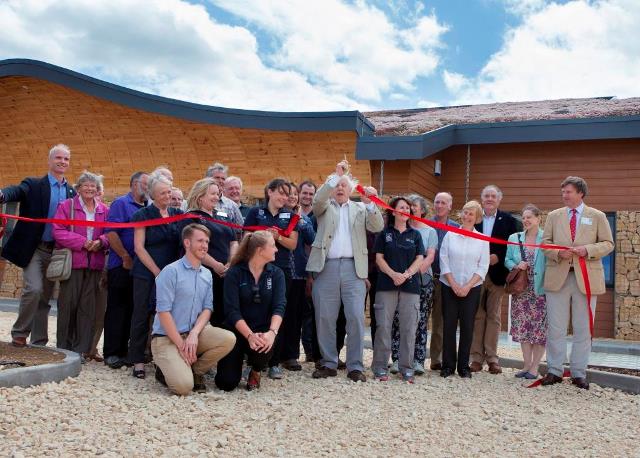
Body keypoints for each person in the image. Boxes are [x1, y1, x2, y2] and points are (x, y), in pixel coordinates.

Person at [307, 160, 384, 383]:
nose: (340, 188)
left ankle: (355, 366)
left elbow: (377, 226)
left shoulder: (360, 208)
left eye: (344, 185)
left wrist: (371, 203)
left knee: (356, 318)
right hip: (326, 267)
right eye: (337, 185)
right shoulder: (323, 207)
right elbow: (318, 199)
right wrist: (335, 175)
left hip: (354, 268)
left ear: (351, 190)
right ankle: (329, 363)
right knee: (325, 317)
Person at [540, 176, 613, 390]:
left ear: (580, 193)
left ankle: (579, 373)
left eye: (568, 192)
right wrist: (557, 253)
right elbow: (545, 244)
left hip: (586, 279)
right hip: (558, 279)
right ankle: (554, 370)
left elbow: (608, 243)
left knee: (583, 328)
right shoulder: (554, 216)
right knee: (556, 327)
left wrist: (587, 250)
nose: (564, 195)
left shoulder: (597, 216)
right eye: (563, 192)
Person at [0, 144, 75, 347]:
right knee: (34, 289)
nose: (62, 161)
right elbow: (16, 191)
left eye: (66, 159)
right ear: (50, 161)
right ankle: (19, 332)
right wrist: (2, 195)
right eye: (58, 158)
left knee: (45, 297)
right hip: (34, 249)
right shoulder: (33, 184)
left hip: (57, 251)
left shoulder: (71, 192)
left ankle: (39, 341)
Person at [151, 224, 236, 395]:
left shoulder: (206, 274)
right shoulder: (170, 272)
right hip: (167, 338)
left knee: (228, 339)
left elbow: (207, 308)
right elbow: (163, 312)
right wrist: (182, 345)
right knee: (183, 388)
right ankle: (164, 368)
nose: (204, 245)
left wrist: (194, 334)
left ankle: (196, 371)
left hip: (192, 334)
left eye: (207, 241)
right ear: (187, 243)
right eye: (200, 241)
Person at [128, 172, 183, 379]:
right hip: (146, 273)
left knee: (167, 316)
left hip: (172, 274)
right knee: (141, 315)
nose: (167, 196)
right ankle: (138, 360)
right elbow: (139, 248)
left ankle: (164, 360)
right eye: (162, 192)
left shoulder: (178, 213)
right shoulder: (142, 215)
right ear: (151, 194)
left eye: (169, 191)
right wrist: (157, 272)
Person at [214, 231, 286, 391]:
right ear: (260, 250)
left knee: (266, 343)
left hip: (263, 331)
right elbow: (232, 311)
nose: (276, 250)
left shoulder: (276, 274)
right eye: (273, 246)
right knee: (226, 384)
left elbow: (279, 307)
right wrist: (249, 335)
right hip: (236, 332)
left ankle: (256, 369)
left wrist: (271, 333)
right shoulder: (234, 273)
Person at [243, 178, 299, 378]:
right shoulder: (254, 212)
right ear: (270, 192)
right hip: (256, 268)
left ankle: (274, 361)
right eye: (281, 193)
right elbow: (245, 238)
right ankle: (253, 360)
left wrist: (278, 238)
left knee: (278, 313)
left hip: (281, 270)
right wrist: (261, 236)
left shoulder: (290, 215)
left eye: (287, 194)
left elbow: (293, 244)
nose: (284, 198)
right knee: (254, 311)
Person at [52, 171, 110, 357]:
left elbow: (111, 234)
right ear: (78, 188)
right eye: (86, 185)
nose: (90, 189)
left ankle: (80, 351)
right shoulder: (66, 206)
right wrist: (81, 242)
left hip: (95, 265)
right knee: (68, 306)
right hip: (73, 264)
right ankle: (64, 348)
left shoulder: (104, 210)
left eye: (93, 186)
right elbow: (58, 231)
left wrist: (101, 241)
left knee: (88, 310)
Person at [371, 196, 424, 383]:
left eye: (408, 208)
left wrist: (407, 274)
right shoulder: (384, 234)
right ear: (393, 211)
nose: (406, 211)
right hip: (386, 285)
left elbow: (420, 259)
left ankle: (406, 368)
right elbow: (379, 258)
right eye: (402, 207)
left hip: (411, 287)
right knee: (383, 327)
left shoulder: (415, 235)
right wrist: (393, 274)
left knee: (409, 328)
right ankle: (379, 367)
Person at [471, 185, 521, 374]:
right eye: (486, 196)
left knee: (493, 316)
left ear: (499, 199)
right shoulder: (474, 218)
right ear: (482, 199)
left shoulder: (509, 220)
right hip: (476, 274)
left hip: (498, 275)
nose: (490, 199)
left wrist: (498, 256)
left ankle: (492, 358)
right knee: (477, 315)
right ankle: (475, 358)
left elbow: (513, 245)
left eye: (493, 196)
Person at [103, 171, 148, 369]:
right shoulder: (121, 204)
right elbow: (112, 232)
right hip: (121, 265)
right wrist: (124, 256)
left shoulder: (148, 207)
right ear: (133, 184)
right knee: (117, 309)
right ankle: (112, 352)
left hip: (140, 268)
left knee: (133, 309)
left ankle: (126, 352)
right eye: (145, 184)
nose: (147, 188)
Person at [440, 200, 489, 378]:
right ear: (461, 215)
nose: (467, 217)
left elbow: (483, 266)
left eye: (471, 214)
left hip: (472, 288)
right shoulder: (450, 235)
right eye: (465, 213)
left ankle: (463, 366)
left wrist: (467, 286)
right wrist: (453, 284)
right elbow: (443, 260)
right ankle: (447, 366)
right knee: (449, 326)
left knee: (468, 327)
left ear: (477, 218)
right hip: (449, 286)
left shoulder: (482, 240)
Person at [179, 178, 238, 327]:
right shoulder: (191, 218)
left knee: (224, 311)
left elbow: (234, 240)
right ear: (200, 196)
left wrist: (232, 261)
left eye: (218, 194)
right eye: (212, 194)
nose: (217, 197)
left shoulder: (222, 216)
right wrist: (215, 265)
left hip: (226, 272)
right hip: (203, 273)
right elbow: (194, 247)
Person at [389, 195, 437, 375]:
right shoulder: (400, 230)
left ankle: (417, 360)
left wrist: (412, 275)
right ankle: (397, 359)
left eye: (414, 206)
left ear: (422, 210)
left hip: (421, 281)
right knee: (397, 321)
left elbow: (429, 256)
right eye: (409, 206)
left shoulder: (429, 231)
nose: (412, 209)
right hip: (400, 281)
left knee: (420, 321)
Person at [505, 204, 547, 380]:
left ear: (538, 219)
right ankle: (526, 365)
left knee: (539, 331)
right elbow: (507, 259)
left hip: (540, 291)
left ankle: (535, 367)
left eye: (529, 217)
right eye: (523, 217)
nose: (526, 220)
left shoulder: (546, 238)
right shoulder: (514, 237)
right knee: (523, 329)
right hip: (521, 291)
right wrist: (516, 265)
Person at [281, 183, 315, 370]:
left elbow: (312, 239)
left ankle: (291, 355)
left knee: (295, 316)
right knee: (278, 314)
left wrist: (300, 220)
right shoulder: (277, 216)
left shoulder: (304, 218)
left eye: (294, 194)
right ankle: (275, 353)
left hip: (299, 273)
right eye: (290, 194)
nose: (292, 197)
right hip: (279, 270)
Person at [428, 192, 459, 371]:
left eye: (443, 203)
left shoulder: (456, 228)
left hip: (444, 280)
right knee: (418, 319)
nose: (439, 205)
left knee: (439, 321)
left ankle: (436, 359)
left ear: (450, 206)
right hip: (424, 278)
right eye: (436, 202)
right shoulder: (425, 224)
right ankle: (412, 357)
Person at [205, 163, 244, 233]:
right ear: (207, 179)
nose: (220, 181)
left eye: (223, 178)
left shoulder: (232, 205)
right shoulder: (198, 200)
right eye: (217, 177)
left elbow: (240, 231)